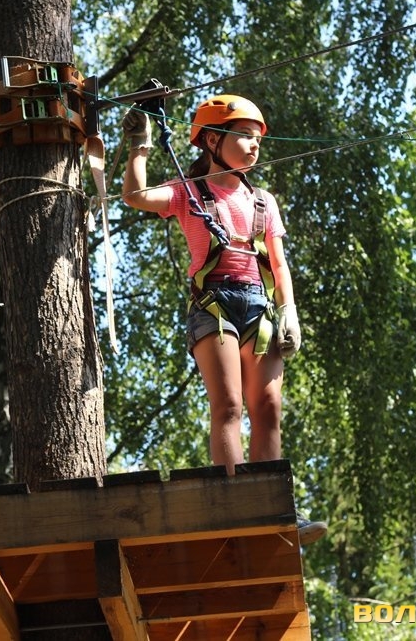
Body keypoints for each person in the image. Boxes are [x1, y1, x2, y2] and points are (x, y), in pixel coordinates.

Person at [121, 94, 327, 545]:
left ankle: (274, 511)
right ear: (213, 141)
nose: (254, 146)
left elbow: (278, 262)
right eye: (245, 137)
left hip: (258, 304)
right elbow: (135, 196)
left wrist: (289, 310)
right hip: (213, 304)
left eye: (258, 140)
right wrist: (140, 145)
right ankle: (235, 508)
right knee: (229, 405)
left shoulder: (262, 202)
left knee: (267, 408)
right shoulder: (188, 193)